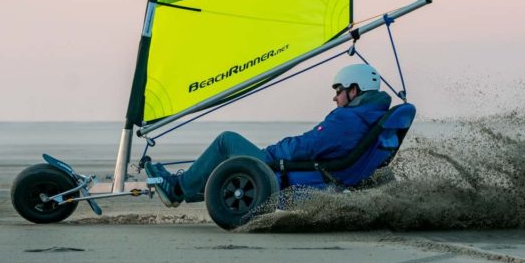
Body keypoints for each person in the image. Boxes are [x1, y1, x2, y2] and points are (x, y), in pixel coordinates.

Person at [143, 63, 392, 206]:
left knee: (226, 141)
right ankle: (193, 186)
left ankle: (176, 189)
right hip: (318, 178)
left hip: (288, 177)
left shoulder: (347, 119)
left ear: (355, 89)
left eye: (338, 90)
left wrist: (272, 152)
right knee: (237, 153)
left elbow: (305, 147)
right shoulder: (369, 119)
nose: (334, 97)